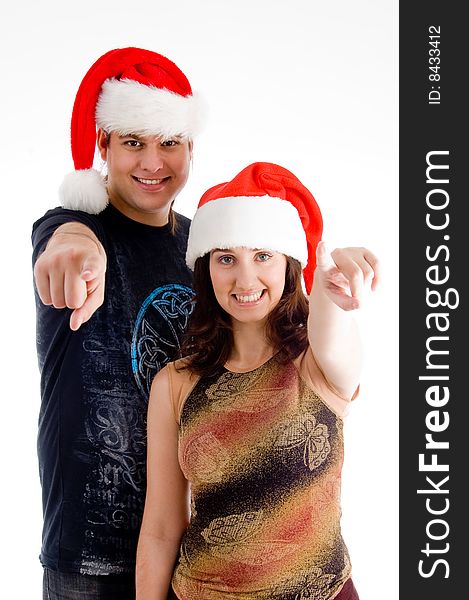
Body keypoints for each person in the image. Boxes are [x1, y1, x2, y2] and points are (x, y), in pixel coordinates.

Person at [136, 161, 379, 600]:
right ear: (206, 268)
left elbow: (335, 334)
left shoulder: (316, 362)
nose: (245, 279)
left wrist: (328, 292)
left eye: (262, 255)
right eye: (226, 258)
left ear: (288, 263)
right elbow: (160, 528)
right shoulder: (176, 382)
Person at [32, 47, 206, 599]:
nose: (153, 163)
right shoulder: (75, 224)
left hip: (193, 546)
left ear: (189, 148)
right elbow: (63, 241)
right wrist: (76, 253)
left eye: (168, 143)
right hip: (89, 553)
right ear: (104, 145)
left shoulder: (207, 250)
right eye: (134, 142)